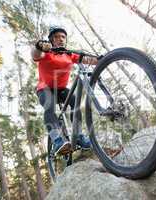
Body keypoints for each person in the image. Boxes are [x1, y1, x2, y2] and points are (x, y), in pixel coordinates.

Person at [31, 26, 98, 155]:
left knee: (75, 102)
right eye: (56, 37)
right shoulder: (46, 52)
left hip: (61, 90)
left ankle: (78, 136)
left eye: (63, 37)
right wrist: (39, 46)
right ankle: (57, 140)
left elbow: (88, 60)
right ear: (51, 40)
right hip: (44, 89)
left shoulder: (68, 55)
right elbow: (35, 54)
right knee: (49, 106)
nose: (60, 39)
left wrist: (102, 58)